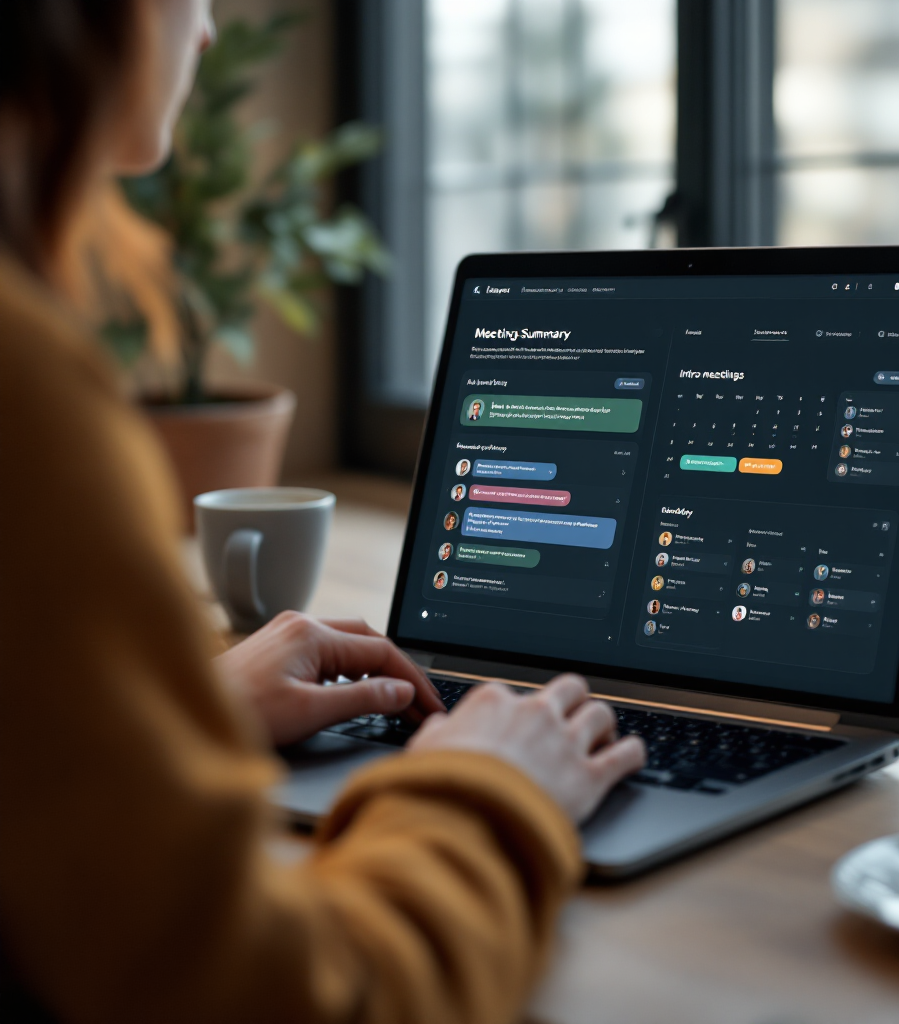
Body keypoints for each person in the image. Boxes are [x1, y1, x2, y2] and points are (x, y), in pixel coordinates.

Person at [0, 4, 646, 1022]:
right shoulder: (24, 388)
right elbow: (299, 1002)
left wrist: (175, 721)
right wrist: (485, 787)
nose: (206, 33)